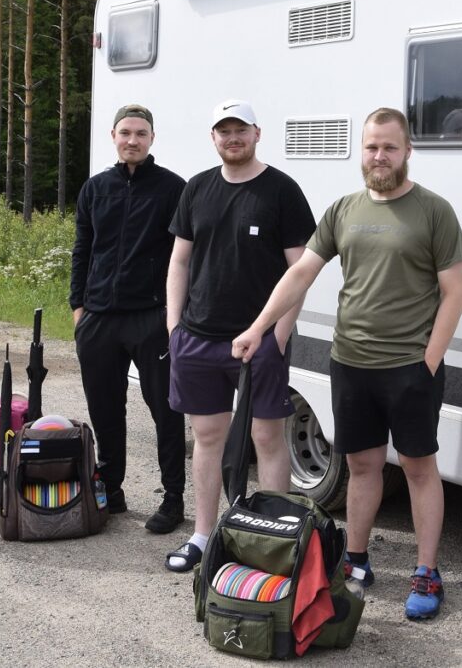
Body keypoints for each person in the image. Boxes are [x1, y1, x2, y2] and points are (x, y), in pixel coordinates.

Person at [232, 108, 462, 619]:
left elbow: (455, 294)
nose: (379, 157)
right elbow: (300, 276)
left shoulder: (434, 211)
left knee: (417, 468)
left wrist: (428, 362)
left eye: (388, 147)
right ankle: (357, 561)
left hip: (411, 368)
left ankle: (427, 572)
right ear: (360, 152)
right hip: (352, 364)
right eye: (370, 147)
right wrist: (258, 327)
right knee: (362, 466)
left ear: (407, 151)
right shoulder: (343, 210)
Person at [164, 99, 316, 572]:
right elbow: (180, 262)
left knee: (267, 439)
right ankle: (203, 535)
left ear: (257, 133)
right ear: (213, 137)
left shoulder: (281, 190)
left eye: (241, 130)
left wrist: (280, 334)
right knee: (208, 438)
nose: (233, 138)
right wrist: (173, 327)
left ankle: (268, 541)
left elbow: (301, 270)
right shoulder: (197, 189)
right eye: (223, 131)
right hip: (198, 337)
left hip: (260, 340)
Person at [70, 104, 188, 534]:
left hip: (150, 318)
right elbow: (82, 248)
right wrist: (78, 307)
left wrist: (172, 315)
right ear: (113, 136)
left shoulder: (174, 189)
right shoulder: (95, 188)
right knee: (105, 407)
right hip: (99, 317)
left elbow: (184, 256)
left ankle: (172, 496)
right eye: (125, 133)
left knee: (166, 409)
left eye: (141, 133)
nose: (132, 140)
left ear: (152, 138)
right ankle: (111, 487)